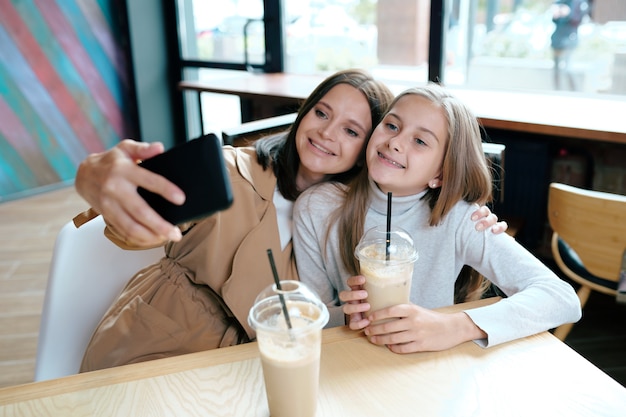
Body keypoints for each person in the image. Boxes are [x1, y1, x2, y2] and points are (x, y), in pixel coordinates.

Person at [74, 70, 505, 372]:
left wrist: (470, 214)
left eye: (352, 131)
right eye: (321, 113)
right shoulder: (228, 170)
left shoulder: (345, 216)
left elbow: (412, 222)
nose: (327, 133)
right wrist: (95, 178)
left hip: (258, 363)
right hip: (156, 344)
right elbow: (126, 213)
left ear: (370, 145)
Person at [293, 83, 581, 353]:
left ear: (440, 174)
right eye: (392, 125)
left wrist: (454, 327)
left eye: (419, 141)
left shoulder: (461, 220)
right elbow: (310, 316)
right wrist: (345, 316)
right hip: (350, 363)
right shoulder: (316, 209)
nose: (395, 142)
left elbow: (561, 298)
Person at [550, 0, 589, 91]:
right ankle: (557, 90)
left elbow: (579, 19)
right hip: (557, 39)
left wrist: (568, 13)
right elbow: (555, 20)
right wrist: (556, 13)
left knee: (567, 67)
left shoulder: (579, 3)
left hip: (570, 39)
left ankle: (574, 91)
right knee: (556, 68)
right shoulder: (559, 2)